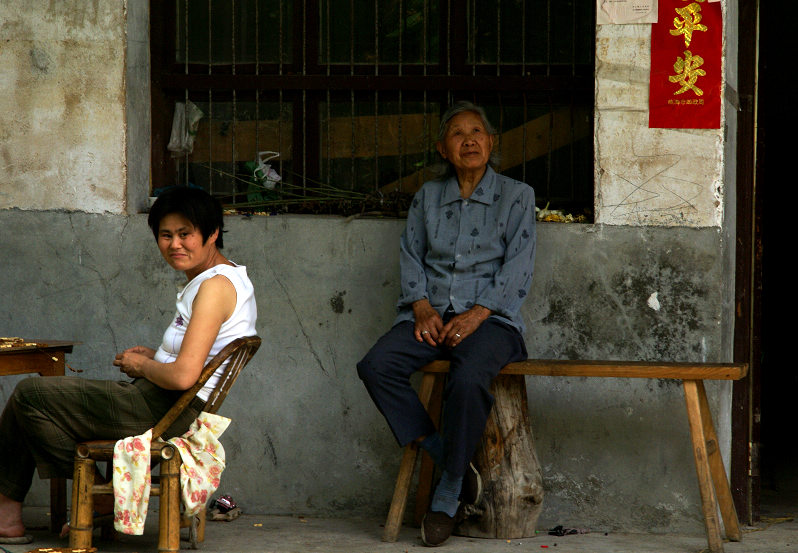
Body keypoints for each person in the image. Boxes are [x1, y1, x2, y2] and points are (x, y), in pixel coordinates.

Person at [0, 186, 257, 544]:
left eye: (186, 234)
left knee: (29, 395)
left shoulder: (214, 288)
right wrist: (157, 356)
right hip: (168, 402)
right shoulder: (224, 279)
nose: (175, 244)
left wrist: (141, 367)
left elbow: (184, 376)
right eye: (166, 235)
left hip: (164, 406)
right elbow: (197, 358)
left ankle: (94, 493)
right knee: (34, 402)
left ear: (212, 233)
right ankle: (57, 502)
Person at [357, 101, 536, 547]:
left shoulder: (517, 196)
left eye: (478, 131)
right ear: (443, 148)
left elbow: (519, 266)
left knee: (469, 375)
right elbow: (410, 253)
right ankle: (442, 451)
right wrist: (419, 305)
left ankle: (450, 488)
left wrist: (479, 313)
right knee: (376, 365)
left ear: (491, 143)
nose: (469, 140)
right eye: (458, 134)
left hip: (492, 321)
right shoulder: (428, 196)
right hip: (432, 316)